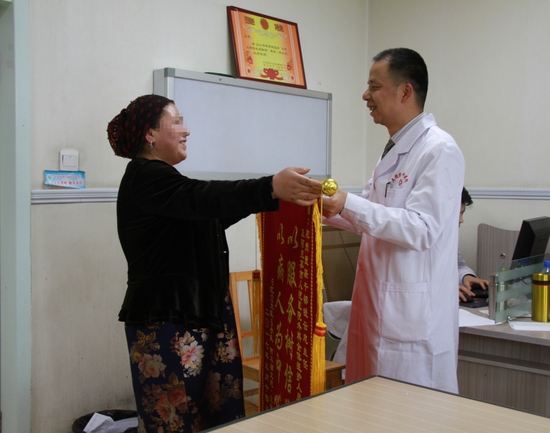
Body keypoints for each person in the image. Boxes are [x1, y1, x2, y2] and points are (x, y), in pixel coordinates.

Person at [107, 94, 321, 432]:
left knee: (215, 415)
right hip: (167, 319)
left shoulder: (166, 182)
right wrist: (268, 187)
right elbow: (201, 198)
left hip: (200, 312)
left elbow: (209, 215)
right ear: (150, 134)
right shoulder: (145, 175)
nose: (186, 130)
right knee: (176, 422)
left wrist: (275, 194)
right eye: (176, 122)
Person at [322, 48, 465, 393]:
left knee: (408, 412)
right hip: (378, 309)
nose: (365, 96)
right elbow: (369, 217)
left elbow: (421, 229)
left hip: (412, 319)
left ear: (405, 91)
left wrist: (348, 203)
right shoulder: (394, 149)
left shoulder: (439, 150)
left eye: (374, 87)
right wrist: (325, 207)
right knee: (370, 406)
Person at [458, 187, 489, 302]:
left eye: (462, 213)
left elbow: (458, 266)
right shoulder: (416, 237)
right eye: (458, 214)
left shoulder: (448, 237)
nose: (461, 220)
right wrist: (443, 290)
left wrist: (466, 276)